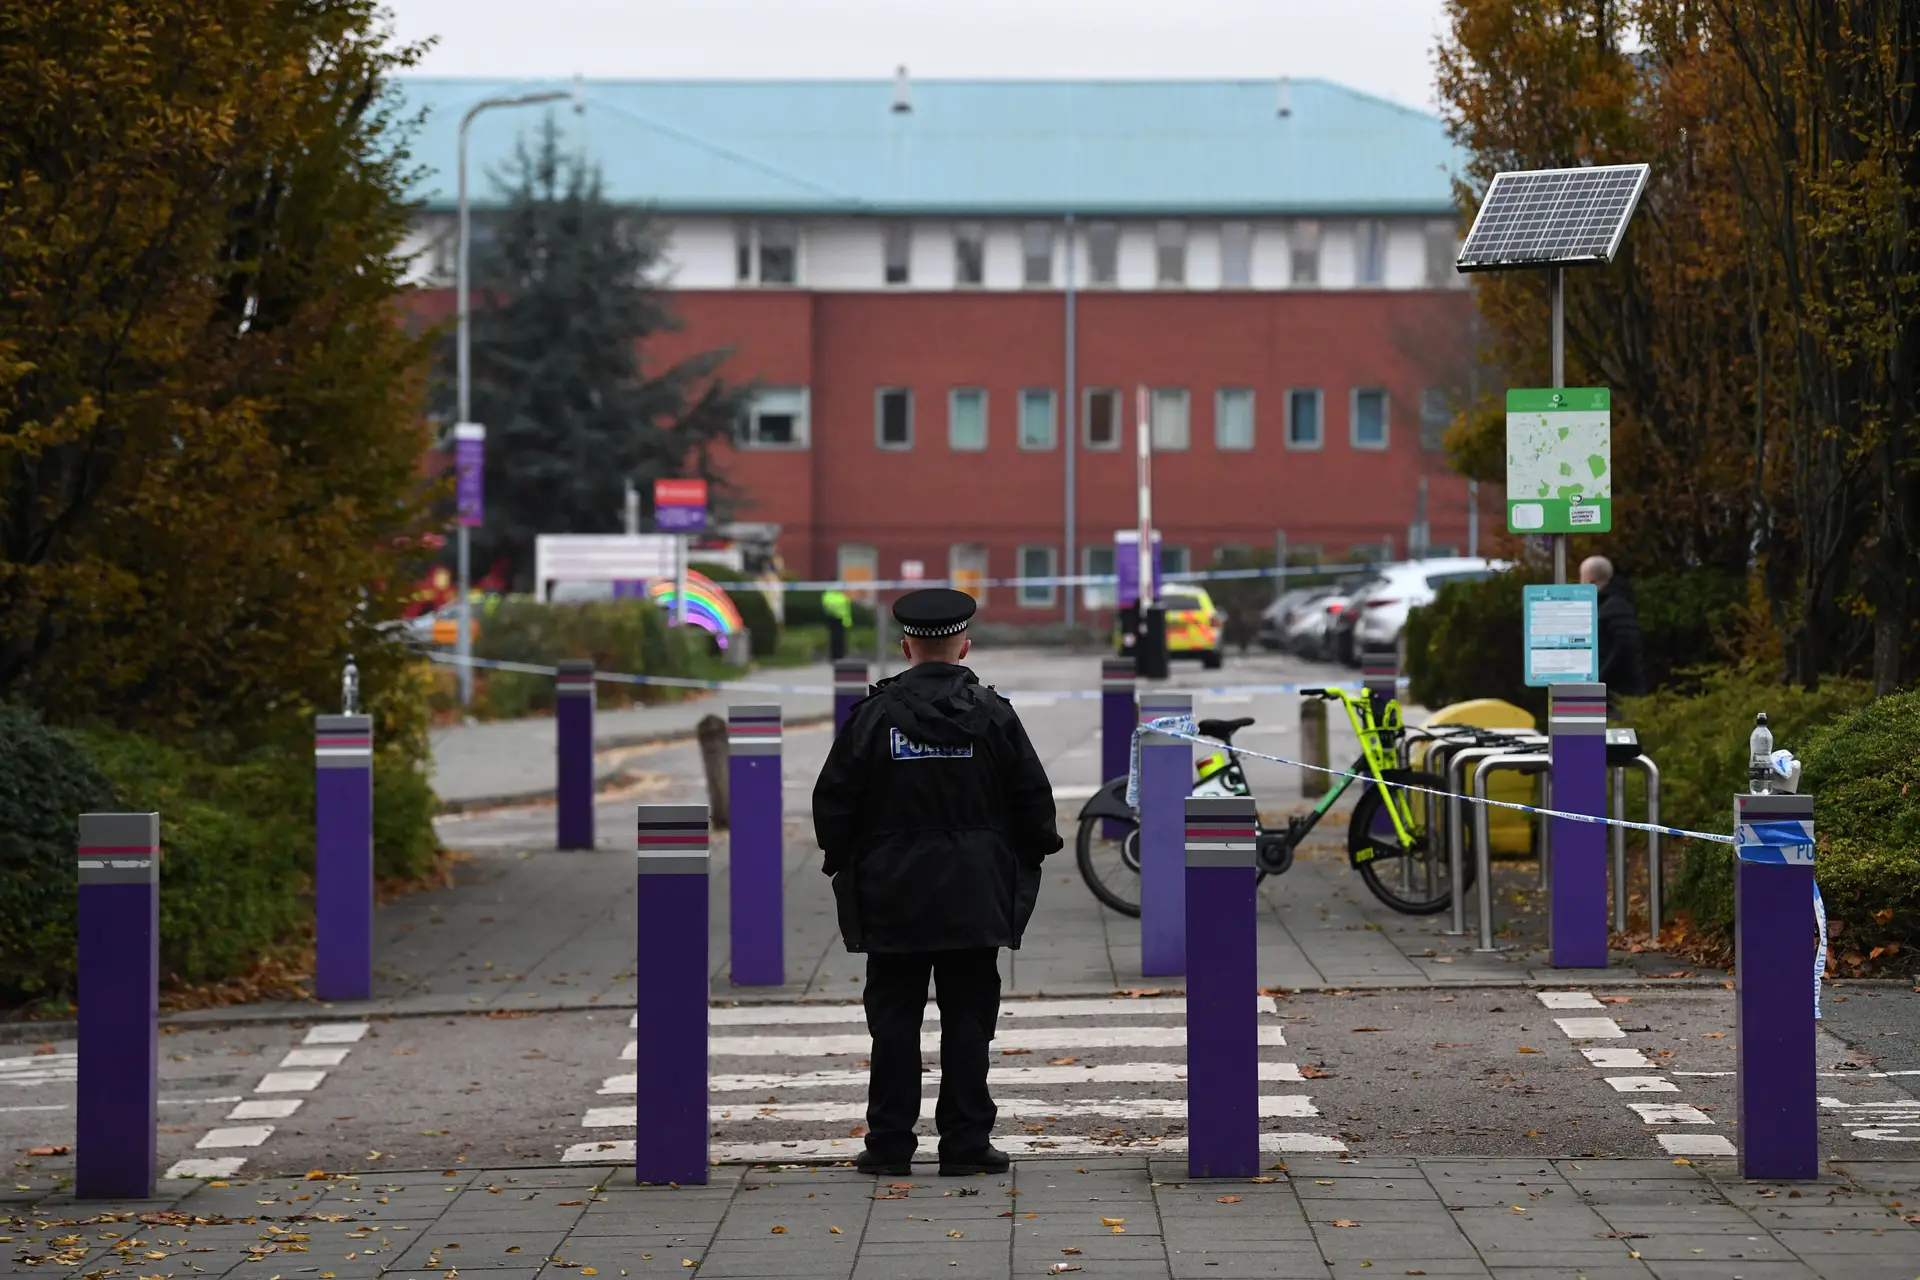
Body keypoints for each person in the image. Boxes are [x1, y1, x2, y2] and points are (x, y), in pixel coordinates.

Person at [812, 587, 1061, 1177]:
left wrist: (846, 863)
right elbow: (1033, 801)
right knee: (969, 1018)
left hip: (893, 893)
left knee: (894, 1019)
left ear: (906, 647)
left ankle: (890, 1143)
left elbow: (835, 803)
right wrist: (1026, 857)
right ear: (964, 644)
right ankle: (967, 1143)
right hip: (974, 894)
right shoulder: (995, 715)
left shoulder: (872, 718)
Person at [1579, 555, 1646, 700]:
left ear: (1590, 581)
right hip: (1615, 691)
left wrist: (1600, 678)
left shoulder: (1614, 607)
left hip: (1618, 693)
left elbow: (1624, 646)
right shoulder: (1613, 604)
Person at [821, 588, 853, 662]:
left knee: (840, 638)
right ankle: (836, 655)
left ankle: (839, 655)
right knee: (835, 638)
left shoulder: (841, 596)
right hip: (834, 619)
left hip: (840, 620)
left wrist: (848, 621)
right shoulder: (829, 596)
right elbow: (828, 607)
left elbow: (847, 609)